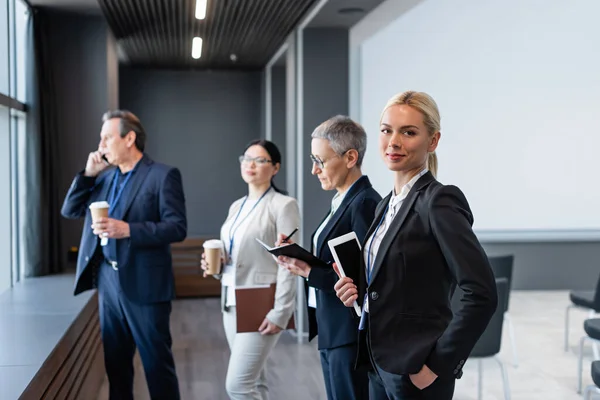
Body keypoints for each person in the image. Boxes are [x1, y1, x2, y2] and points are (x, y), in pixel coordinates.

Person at [333, 91, 498, 400]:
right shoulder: (385, 205)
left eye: (408, 132)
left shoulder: (439, 201)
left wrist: (437, 366)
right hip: (378, 360)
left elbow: (481, 292)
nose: (393, 141)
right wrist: (355, 290)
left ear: (432, 141)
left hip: (416, 370)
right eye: (387, 130)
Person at [61, 110, 186, 400]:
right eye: (100, 138)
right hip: (107, 281)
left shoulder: (162, 175)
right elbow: (70, 210)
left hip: (146, 283)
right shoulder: (103, 179)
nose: (101, 144)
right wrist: (87, 174)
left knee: (157, 366)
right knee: (116, 366)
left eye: (107, 137)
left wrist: (129, 229)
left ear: (129, 138)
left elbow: (177, 227)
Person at [276, 115, 381, 400]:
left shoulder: (365, 204)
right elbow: (339, 262)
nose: (314, 170)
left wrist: (309, 271)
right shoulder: (341, 200)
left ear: (350, 157)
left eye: (320, 161)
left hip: (349, 334)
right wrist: (301, 260)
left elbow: (367, 279)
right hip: (332, 330)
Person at [201, 139, 300, 400]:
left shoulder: (283, 205)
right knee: (255, 382)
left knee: (238, 386)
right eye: (246, 158)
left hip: (261, 302)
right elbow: (233, 255)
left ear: (275, 167)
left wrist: (281, 312)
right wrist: (215, 267)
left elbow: (289, 264)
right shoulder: (237, 206)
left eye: (260, 160)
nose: (250, 165)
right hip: (231, 300)